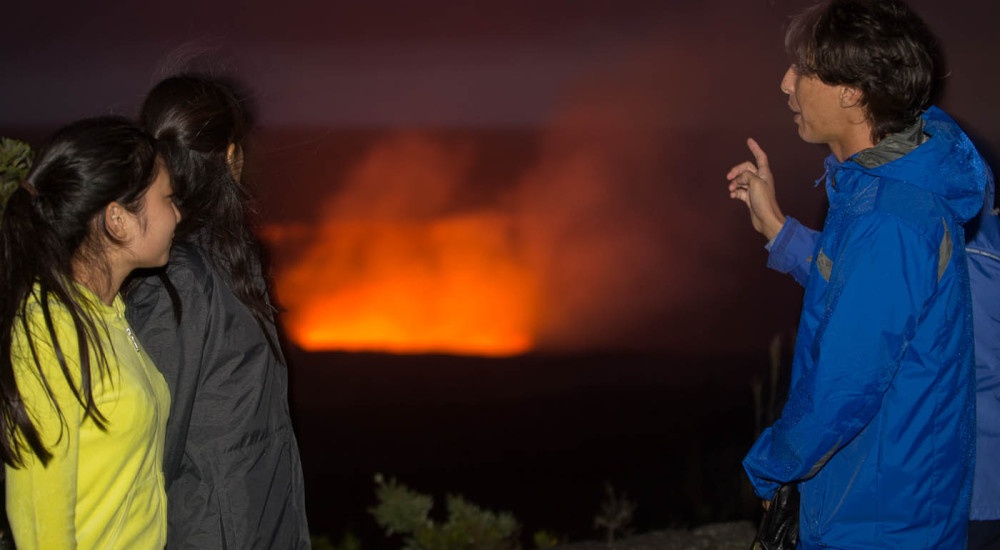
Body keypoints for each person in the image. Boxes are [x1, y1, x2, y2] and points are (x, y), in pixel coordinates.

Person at [725, 0, 989, 547]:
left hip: (880, 519)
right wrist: (777, 227)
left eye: (803, 68)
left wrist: (771, 464)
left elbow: (843, 388)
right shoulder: (878, 185)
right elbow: (857, 292)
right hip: (878, 500)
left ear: (852, 90)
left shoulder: (892, 217)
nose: (784, 83)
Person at [124, 73, 310, 548]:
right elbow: (149, 446)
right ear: (230, 156)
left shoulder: (224, 260)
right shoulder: (182, 276)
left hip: (253, 526)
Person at [0, 116, 180, 548]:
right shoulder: (50, 330)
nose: (177, 214)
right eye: (167, 199)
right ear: (117, 220)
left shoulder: (108, 313)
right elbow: (42, 527)